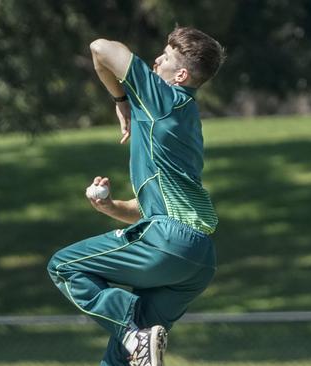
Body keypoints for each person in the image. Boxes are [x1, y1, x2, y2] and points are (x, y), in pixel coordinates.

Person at [48, 26, 225, 366]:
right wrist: (111, 206)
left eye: (167, 57)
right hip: (198, 259)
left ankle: (133, 333)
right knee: (125, 356)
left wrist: (120, 99)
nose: (157, 60)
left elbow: (100, 47)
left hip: (169, 242)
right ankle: (135, 336)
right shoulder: (183, 116)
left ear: (181, 74)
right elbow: (152, 212)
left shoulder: (164, 100)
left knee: (64, 266)